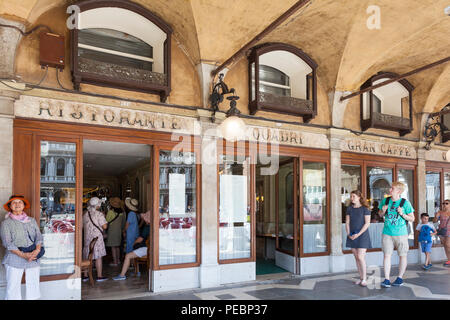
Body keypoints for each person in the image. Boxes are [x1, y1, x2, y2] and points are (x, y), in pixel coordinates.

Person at [0, 195, 43, 300]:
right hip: (14, 258)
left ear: (24, 205)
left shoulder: (31, 221)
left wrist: (37, 250)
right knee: (13, 288)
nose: (17, 204)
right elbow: (7, 243)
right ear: (10, 206)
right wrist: (23, 254)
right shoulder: (6, 223)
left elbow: (39, 236)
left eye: (20, 202)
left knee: (34, 286)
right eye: (14, 203)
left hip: (33, 256)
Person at [378, 181, 415, 288]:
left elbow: (412, 218)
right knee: (386, 255)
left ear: (399, 191)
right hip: (387, 232)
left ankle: (399, 278)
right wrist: (383, 211)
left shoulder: (405, 203)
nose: (390, 190)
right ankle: (386, 279)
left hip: (401, 233)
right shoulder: (385, 200)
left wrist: (402, 213)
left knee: (402, 255)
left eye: (392, 188)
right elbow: (380, 214)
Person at [113, 211, 150, 281]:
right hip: (150, 248)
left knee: (128, 256)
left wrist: (134, 243)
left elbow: (140, 239)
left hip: (146, 249)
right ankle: (137, 271)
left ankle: (122, 275)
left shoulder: (147, 227)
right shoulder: (155, 226)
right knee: (134, 251)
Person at [345, 190, 371, 286]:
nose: (352, 198)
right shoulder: (349, 209)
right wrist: (348, 234)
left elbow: (367, 223)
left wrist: (358, 234)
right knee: (356, 258)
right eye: (351, 196)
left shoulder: (365, 209)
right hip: (352, 235)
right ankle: (360, 278)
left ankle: (364, 278)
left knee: (360, 257)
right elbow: (347, 223)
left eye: (353, 196)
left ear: (359, 197)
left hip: (362, 235)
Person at [83, 197, 108, 282]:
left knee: (87, 255)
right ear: (98, 205)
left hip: (87, 237)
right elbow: (105, 226)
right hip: (97, 238)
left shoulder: (85, 214)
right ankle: (99, 276)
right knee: (98, 257)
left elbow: (82, 227)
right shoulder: (99, 214)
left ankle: (85, 275)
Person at [105, 197, 126, 266]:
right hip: (119, 231)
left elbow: (106, 221)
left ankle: (115, 262)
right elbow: (123, 223)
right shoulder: (123, 212)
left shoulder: (111, 212)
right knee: (117, 246)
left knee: (113, 247)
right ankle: (118, 260)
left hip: (112, 231)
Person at [434, 199, 450, 267]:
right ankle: (448, 260)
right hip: (442, 230)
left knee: (448, 245)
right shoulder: (440, 212)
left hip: (449, 230)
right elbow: (434, 221)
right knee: (445, 246)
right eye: (443, 203)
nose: (444, 205)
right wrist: (436, 216)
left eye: (446, 203)